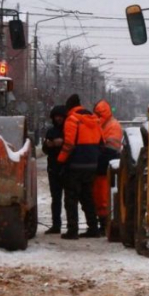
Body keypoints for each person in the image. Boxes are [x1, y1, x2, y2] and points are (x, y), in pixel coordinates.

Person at [57, 94, 103, 240]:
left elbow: (69, 144)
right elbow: (102, 142)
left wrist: (60, 161)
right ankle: (93, 228)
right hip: (91, 165)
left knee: (71, 198)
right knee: (87, 197)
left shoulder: (72, 119)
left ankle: (72, 230)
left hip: (75, 165)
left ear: (69, 107)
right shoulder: (94, 119)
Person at [92, 99, 123, 232]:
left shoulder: (111, 125)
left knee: (103, 196)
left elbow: (111, 147)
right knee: (100, 196)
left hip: (106, 164)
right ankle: (103, 222)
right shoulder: (108, 124)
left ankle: (104, 222)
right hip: (104, 164)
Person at [41, 105, 67, 234]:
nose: (58, 119)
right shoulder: (51, 131)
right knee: (55, 198)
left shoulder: (69, 130)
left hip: (67, 168)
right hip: (53, 168)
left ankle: (71, 226)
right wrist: (48, 144)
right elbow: (45, 150)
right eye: (56, 116)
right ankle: (56, 225)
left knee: (69, 199)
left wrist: (62, 142)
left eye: (60, 116)